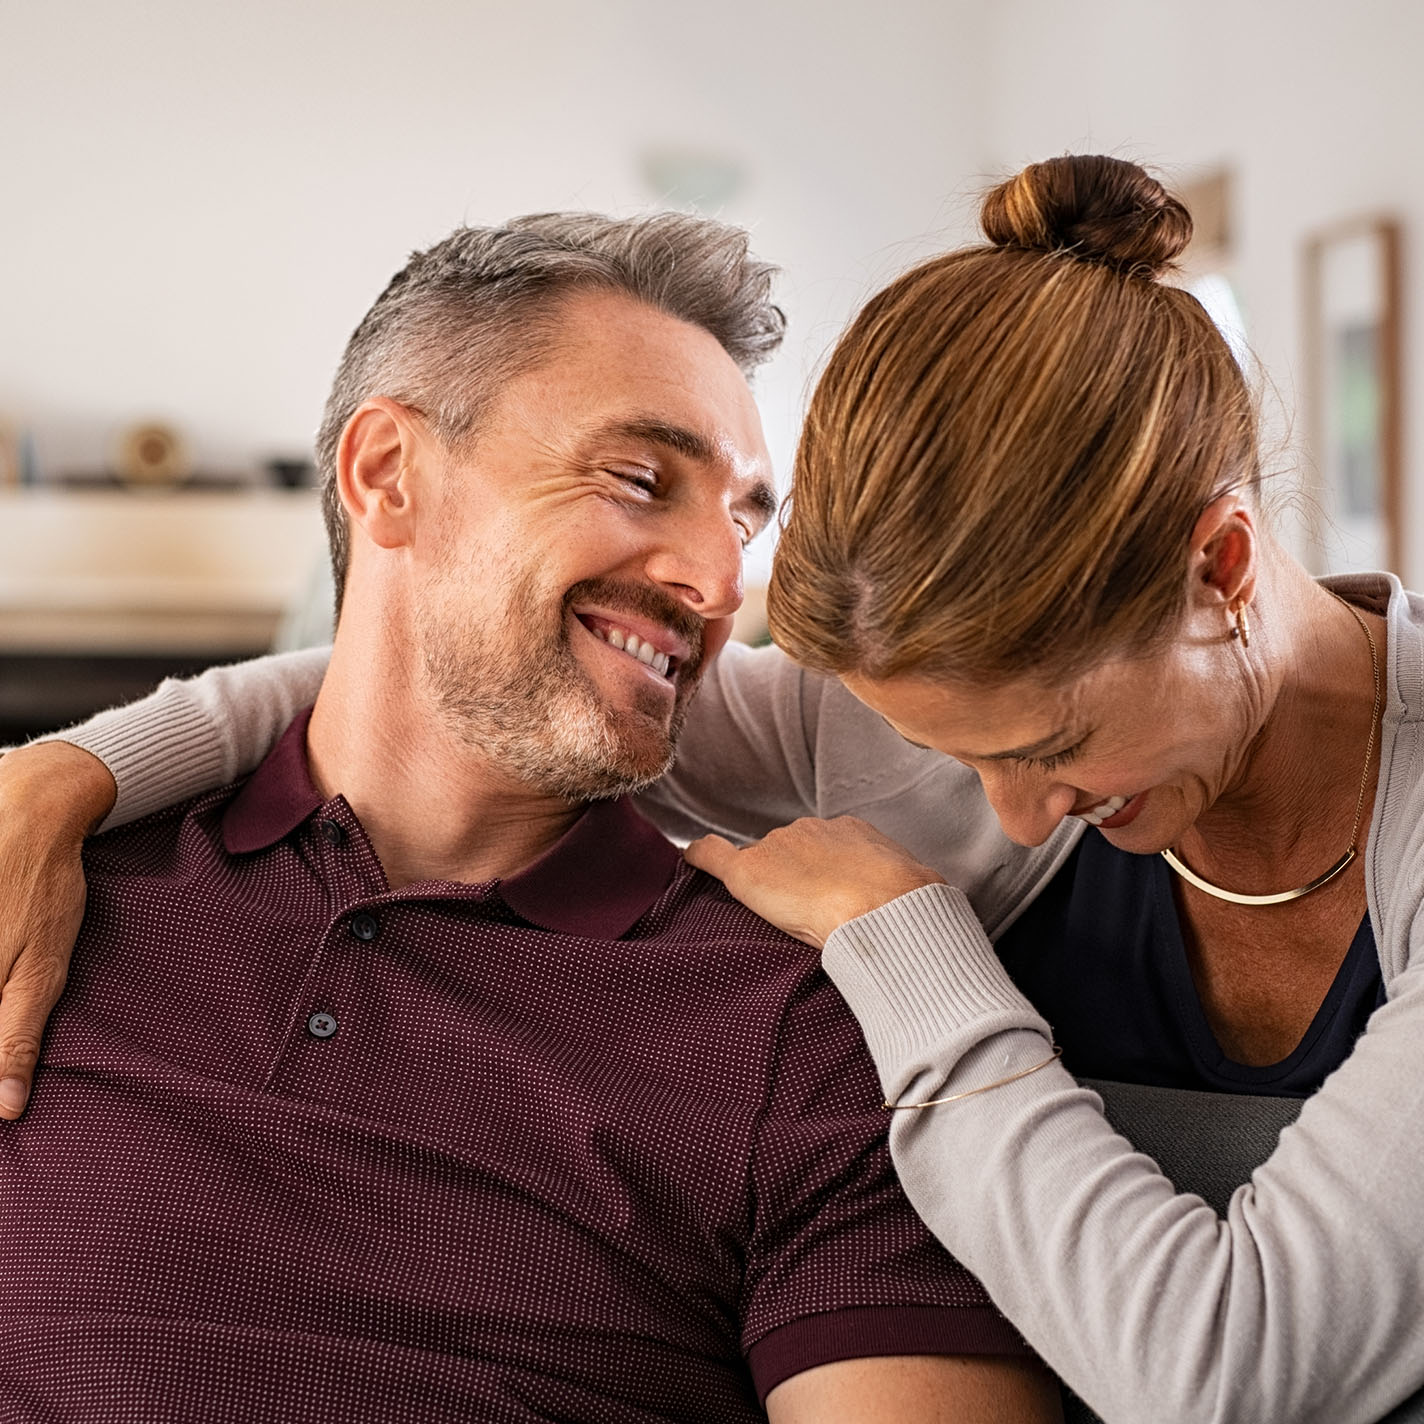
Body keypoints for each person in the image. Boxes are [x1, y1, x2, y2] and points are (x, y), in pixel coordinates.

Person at [4, 155, 1418, 1424]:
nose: (1006, 810)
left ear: (1222, 569)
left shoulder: (812, 1029)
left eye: (1051, 747)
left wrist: (909, 946)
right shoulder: (872, 737)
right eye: (640, 478)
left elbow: (1233, 1377)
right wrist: (70, 772)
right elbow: (444, 682)